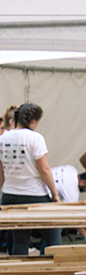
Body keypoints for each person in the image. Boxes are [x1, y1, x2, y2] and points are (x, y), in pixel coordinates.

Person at [0, 103, 61, 254]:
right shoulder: (35, 138)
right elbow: (44, 169)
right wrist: (54, 194)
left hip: (10, 195)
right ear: (32, 121)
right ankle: (55, 273)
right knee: (53, 237)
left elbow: (1, 171)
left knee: (19, 241)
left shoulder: (3, 138)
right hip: (34, 195)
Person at [51, 164, 86, 244]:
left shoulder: (71, 169)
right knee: (55, 229)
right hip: (38, 193)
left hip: (32, 184)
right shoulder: (73, 191)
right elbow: (73, 217)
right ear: (84, 182)